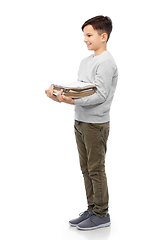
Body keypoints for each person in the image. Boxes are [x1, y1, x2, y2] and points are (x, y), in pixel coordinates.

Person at [45, 15, 118, 231]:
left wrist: (72, 100)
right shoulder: (86, 61)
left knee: (96, 169)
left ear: (103, 36)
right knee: (86, 168)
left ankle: (102, 214)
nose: (85, 40)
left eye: (89, 35)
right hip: (80, 121)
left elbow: (101, 95)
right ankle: (92, 209)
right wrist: (59, 95)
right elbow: (81, 88)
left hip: (96, 124)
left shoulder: (107, 62)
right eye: (84, 35)